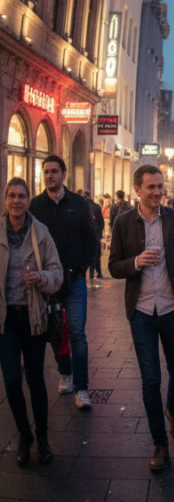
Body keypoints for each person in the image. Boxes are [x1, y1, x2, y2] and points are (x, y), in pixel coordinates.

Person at [108, 166, 174, 470]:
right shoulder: (123, 222)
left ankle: (173, 411)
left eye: (160, 186)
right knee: (151, 380)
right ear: (137, 190)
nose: (157, 192)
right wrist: (135, 261)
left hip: (172, 307)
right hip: (142, 311)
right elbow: (113, 266)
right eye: (151, 187)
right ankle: (159, 444)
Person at [1, 178, 63, 466]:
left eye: (22, 196)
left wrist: (40, 278)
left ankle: (43, 436)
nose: (16, 201)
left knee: (35, 379)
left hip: (33, 316)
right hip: (5, 320)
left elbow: (57, 273)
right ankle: (24, 435)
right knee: (12, 380)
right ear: (5, 199)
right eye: (11, 196)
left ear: (28, 200)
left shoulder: (40, 233)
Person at [29, 155, 97, 409]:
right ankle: (64, 372)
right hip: (47, 282)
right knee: (55, 333)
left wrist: (80, 268)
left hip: (74, 281)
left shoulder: (78, 204)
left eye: (54, 171)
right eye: (46, 171)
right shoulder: (35, 206)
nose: (49, 176)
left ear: (64, 174)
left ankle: (82, 388)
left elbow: (91, 240)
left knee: (77, 333)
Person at [80, 190, 105, 281]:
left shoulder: (81, 207)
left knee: (86, 254)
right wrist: (99, 233)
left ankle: (86, 273)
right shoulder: (96, 206)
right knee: (95, 254)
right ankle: (96, 273)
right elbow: (101, 222)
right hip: (95, 234)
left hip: (85, 236)